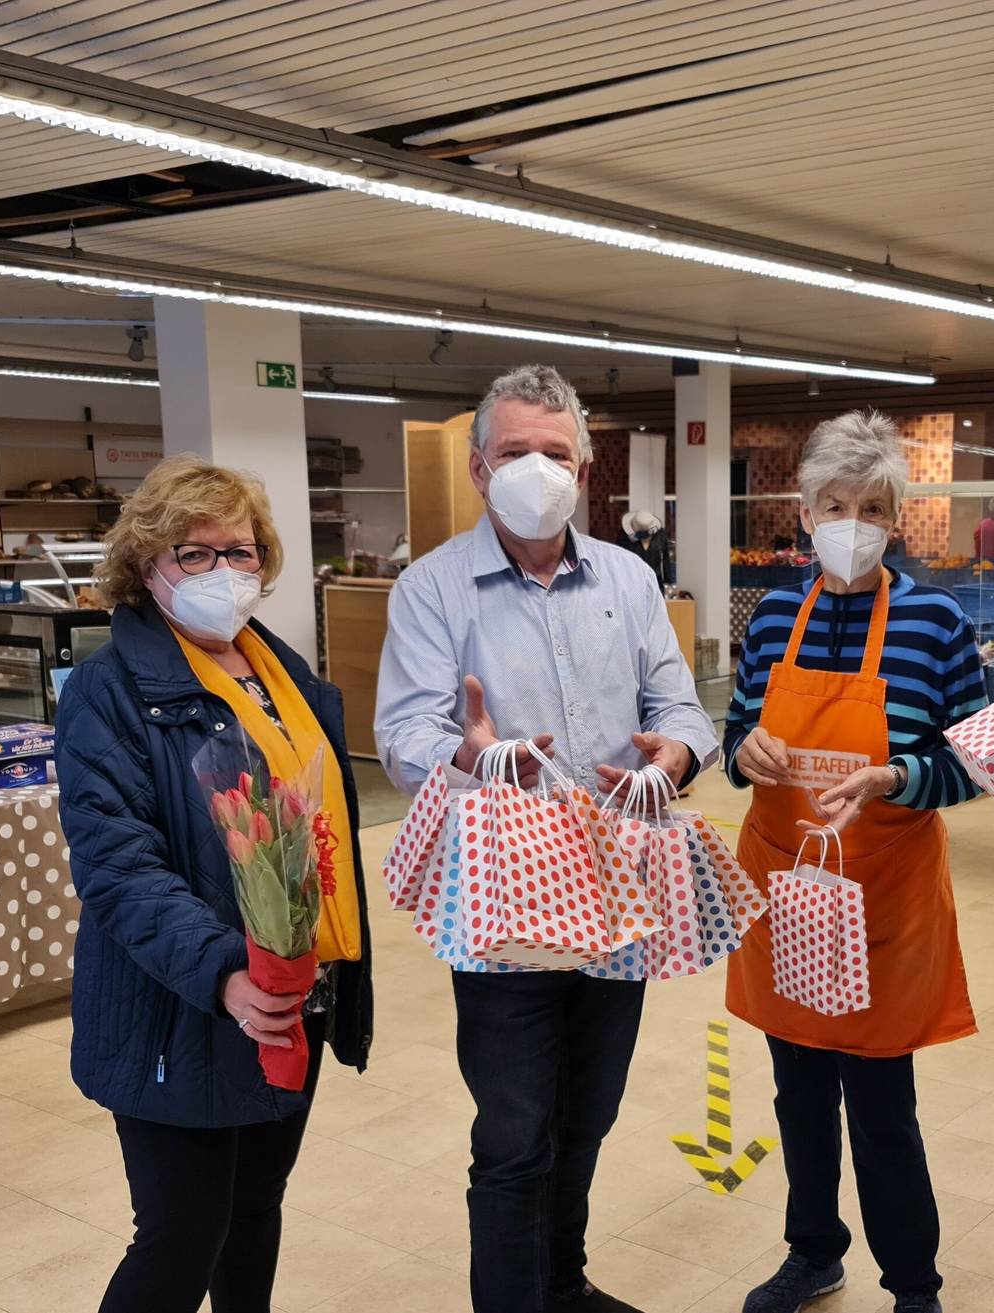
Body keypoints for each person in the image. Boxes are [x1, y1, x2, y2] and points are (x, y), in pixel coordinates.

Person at [374, 365, 719, 1313]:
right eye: (516, 452)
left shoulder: (629, 577)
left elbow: (683, 707)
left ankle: (560, 1284)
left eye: (556, 453)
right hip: (501, 897)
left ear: (587, 466)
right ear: (481, 469)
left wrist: (675, 760)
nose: (538, 469)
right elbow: (401, 734)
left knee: (588, 1114)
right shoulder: (434, 587)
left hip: (619, 891)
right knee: (517, 1129)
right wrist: (473, 757)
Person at [54, 455, 373, 1313]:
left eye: (239, 550)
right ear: (146, 565)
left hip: (292, 995)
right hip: (183, 1007)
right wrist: (222, 971)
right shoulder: (107, 691)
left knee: (254, 1213)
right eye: (194, 554)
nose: (222, 571)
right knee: (179, 1237)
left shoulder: (281, 674)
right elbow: (118, 866)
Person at [722, 411, 986, 1313]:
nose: (852, 521)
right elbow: (734, 735)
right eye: (836, 503)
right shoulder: (771, 621)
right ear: (804, 512)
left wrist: (899, 775)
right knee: (797, 1096)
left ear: (896, 519)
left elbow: (976, 761)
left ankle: (914, 1283)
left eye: (872, 506)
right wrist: (742, 751)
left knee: (881, 1110)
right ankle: (814, 1251)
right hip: (785, 892)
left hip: (883, 902)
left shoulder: (935, 624)